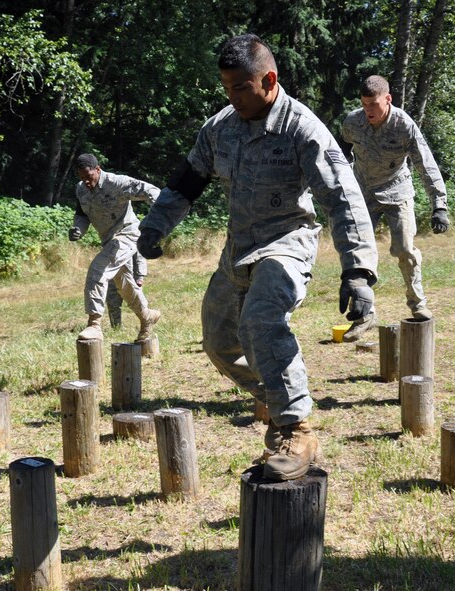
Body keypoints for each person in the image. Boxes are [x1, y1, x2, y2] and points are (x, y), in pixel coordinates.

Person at [137, 34, 379, 480]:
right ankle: (277, 393)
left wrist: (359, 270)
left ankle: (296, 429)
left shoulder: (303, 129)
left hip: (287, 243)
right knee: (219, 341)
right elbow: (186, 181)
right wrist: (155, 226)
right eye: (226, 88)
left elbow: (342, 199)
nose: (232, 97)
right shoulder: (221, 127)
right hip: (237, 249)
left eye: (239, 88)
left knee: (261, 322)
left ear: (268, 79)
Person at [341, 74, 449, 340]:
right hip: (363, 191)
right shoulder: (353, 121)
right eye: (364, 104)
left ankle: (418, 303)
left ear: (387, 99)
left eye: (373, 104)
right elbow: (339, 151)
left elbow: (425, 163)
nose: (368, 111)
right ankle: (363, 314)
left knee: (404, 249)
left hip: (397, 191)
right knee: (357, 252)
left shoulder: (404, 125)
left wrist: (439, 204)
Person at [69, 153, 161, 342]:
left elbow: (151, 190)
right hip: (109, 240)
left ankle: (94, 324)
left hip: (128, 234)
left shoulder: (117, 183)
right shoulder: (80, 190)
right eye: (82, 177)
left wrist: (160, 217)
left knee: (97, 269)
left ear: (98, 169)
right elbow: (82, 215)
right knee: (124, 285)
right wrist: (78, 228)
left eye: (89, 176)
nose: (86, 181)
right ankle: (147, 317)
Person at [106, 251, 147, 328]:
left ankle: (146, 325)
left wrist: (140, 276)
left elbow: (140, 252)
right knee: (112, 302)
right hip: (112, 274)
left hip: (130, 275)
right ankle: (116, 327)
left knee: (138, 302)